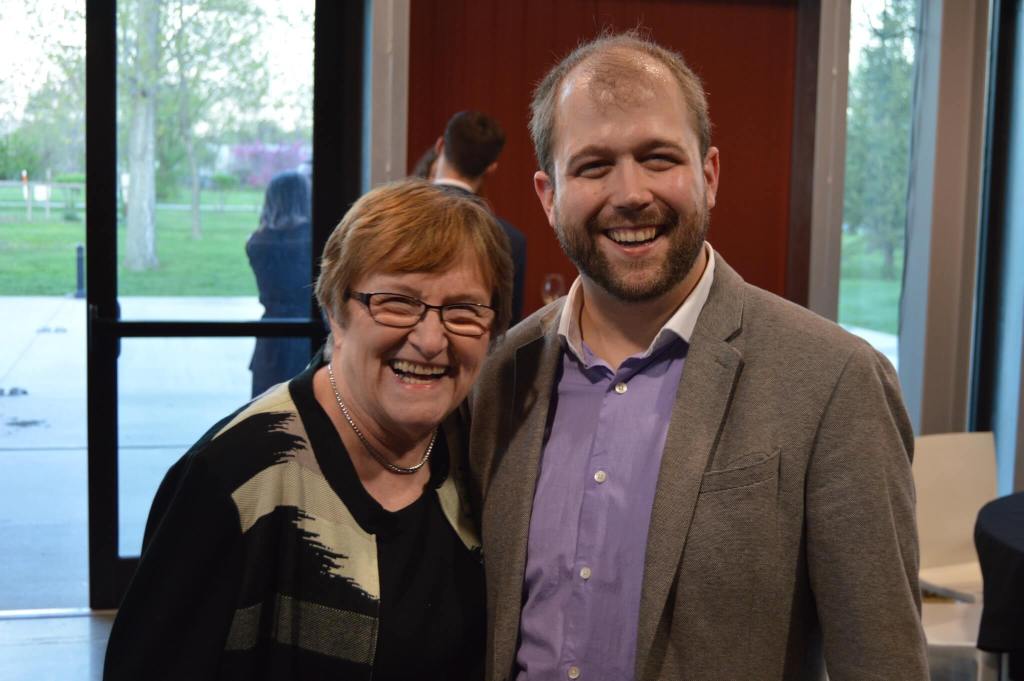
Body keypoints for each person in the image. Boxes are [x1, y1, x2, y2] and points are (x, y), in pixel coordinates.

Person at [467, 32, 929, 681]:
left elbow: (882, 662)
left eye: (658, 158)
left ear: (709, 174)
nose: (630, 192)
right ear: (548, 194)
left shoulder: (833, 380)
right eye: (594, 165)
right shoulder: (501, 374)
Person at [104, 180, 514, 680]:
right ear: (335, 309)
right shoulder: (232, 480)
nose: (431, 340)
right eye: (397, 302)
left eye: (463, 310)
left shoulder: (480, 455)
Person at [433, 110, 527, 324]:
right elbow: (507, 333)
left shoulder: (391, 217)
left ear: (440, 146)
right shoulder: (509, 239)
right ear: (491, 168)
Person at [245, 170, 313, 397]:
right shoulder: (313, 240)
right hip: (308, 331)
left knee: (266, 411)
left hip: (271, 334)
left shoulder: (257, 242)